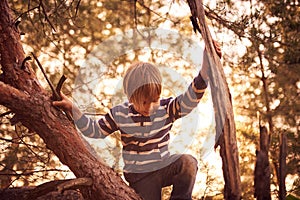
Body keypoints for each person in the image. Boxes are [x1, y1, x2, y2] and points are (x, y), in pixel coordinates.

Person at [53, 41, 221, 200]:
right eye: (144, 102)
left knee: (188, 162)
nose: (149, 107)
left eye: (154, 100)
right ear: (130, 97)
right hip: (141, 177)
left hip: (163, 166)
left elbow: (189, 99)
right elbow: (94, 130)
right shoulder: (120, 114)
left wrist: (205, 71)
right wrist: (73, 109)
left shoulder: (166, 109)